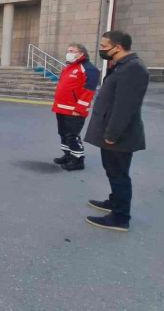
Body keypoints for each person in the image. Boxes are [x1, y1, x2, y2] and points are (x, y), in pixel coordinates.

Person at [84, 31, 149, 232]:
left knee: (119, 174)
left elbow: (125, 107)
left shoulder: (133, 69)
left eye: (104, 46)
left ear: (118, 47)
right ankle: (114, 202)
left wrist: (112, 134)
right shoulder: (122, 66)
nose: (101, 49)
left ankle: (120, 217)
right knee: (113, 171)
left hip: (118, 136)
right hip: (112, 133)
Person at [52, 43, 100, 171]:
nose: (69, 53)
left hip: (74, 111)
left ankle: (78, 160)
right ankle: (68, 155)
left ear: (81, 53)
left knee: (72, 135)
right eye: (68, 50)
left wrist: (79, 109)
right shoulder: (69, 67)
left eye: (72, 51)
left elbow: (88, 92)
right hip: (61, 108)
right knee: (63, 133)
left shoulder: (89, 69)